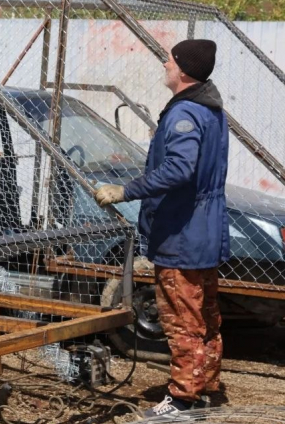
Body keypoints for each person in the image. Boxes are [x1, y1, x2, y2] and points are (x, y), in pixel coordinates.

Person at [95, 39, 229, 419]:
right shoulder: (212, 110)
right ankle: (202, 387)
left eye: (169, 60)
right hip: (205, 231)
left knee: (181, 320)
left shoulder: (185, 113)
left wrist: (126, 190)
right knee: (205, 317)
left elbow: (179, 168)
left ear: (184, 70)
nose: (164, 64)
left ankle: (181, 401)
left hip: (182, 234)